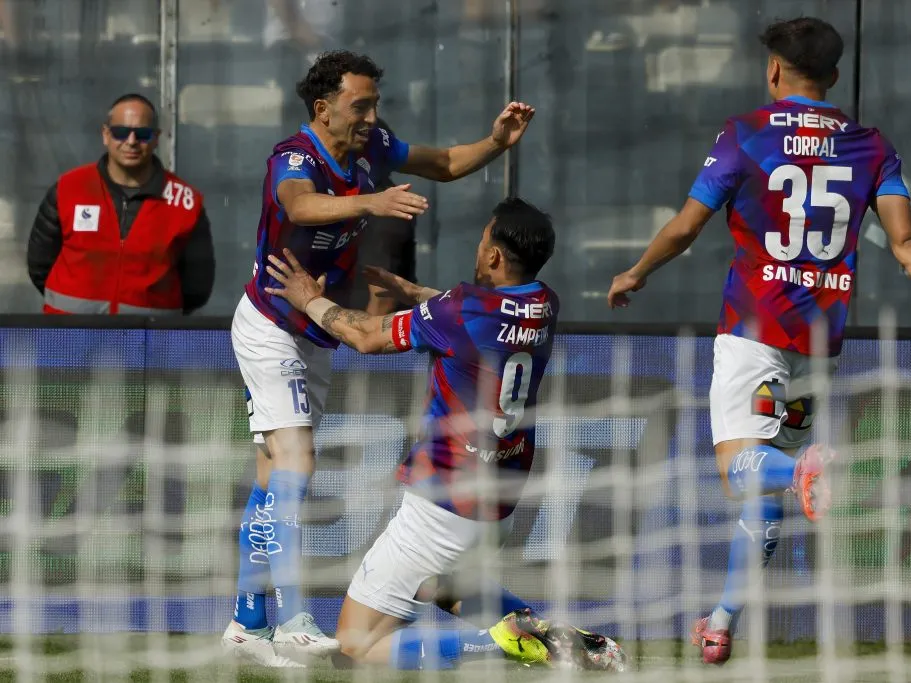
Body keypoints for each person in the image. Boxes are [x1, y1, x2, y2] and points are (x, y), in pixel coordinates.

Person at [606, 17, 911, 666]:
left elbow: (684, 226)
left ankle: (806, 468)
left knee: (744, 472)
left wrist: (637, 271)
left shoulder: (747, 134)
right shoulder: (871, 147)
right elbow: (906, 245)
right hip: (817, 347)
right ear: (836, 77)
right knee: (768, 491)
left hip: (754, 336)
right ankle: (723, 618)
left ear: (773, 71)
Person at [223, 50, 536, 667]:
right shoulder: (295, 156)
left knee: (271, 476)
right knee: (296, 460)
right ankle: (291, 618)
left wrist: (496, 143)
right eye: (359, 105)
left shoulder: (372, 146)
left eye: (374, 104)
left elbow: (443, 164)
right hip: (270, 323)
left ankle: (244, 621)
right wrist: (373, 203)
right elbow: (299, 206)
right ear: (324, 108)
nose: (371, 116)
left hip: (314, 329)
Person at [263, 197, 624, 672]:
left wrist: (307, 297)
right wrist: (413, 292)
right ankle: (557, 638)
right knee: (437, 583)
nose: (478, 248)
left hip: (443, 502)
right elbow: (475, 314)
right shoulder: (544, 303)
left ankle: (497, 643)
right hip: (498, 504)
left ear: (494, 255)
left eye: (482, 239)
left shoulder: (459, 311)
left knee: (353, 646)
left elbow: (368, 336)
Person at [26, 93, 215, 315]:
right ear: (106, 135)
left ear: (156, 138)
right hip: (69, 338)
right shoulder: (69, 188)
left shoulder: (186, 203)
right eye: (121, 132)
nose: (131, 141)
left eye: (142, 134)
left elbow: (197, 285)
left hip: (147, 342)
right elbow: (39, 264)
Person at [345, 118, 418, 316]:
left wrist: (354, 346)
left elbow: (383, 301)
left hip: (368, 337)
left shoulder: (385, 213)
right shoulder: (361, 200)